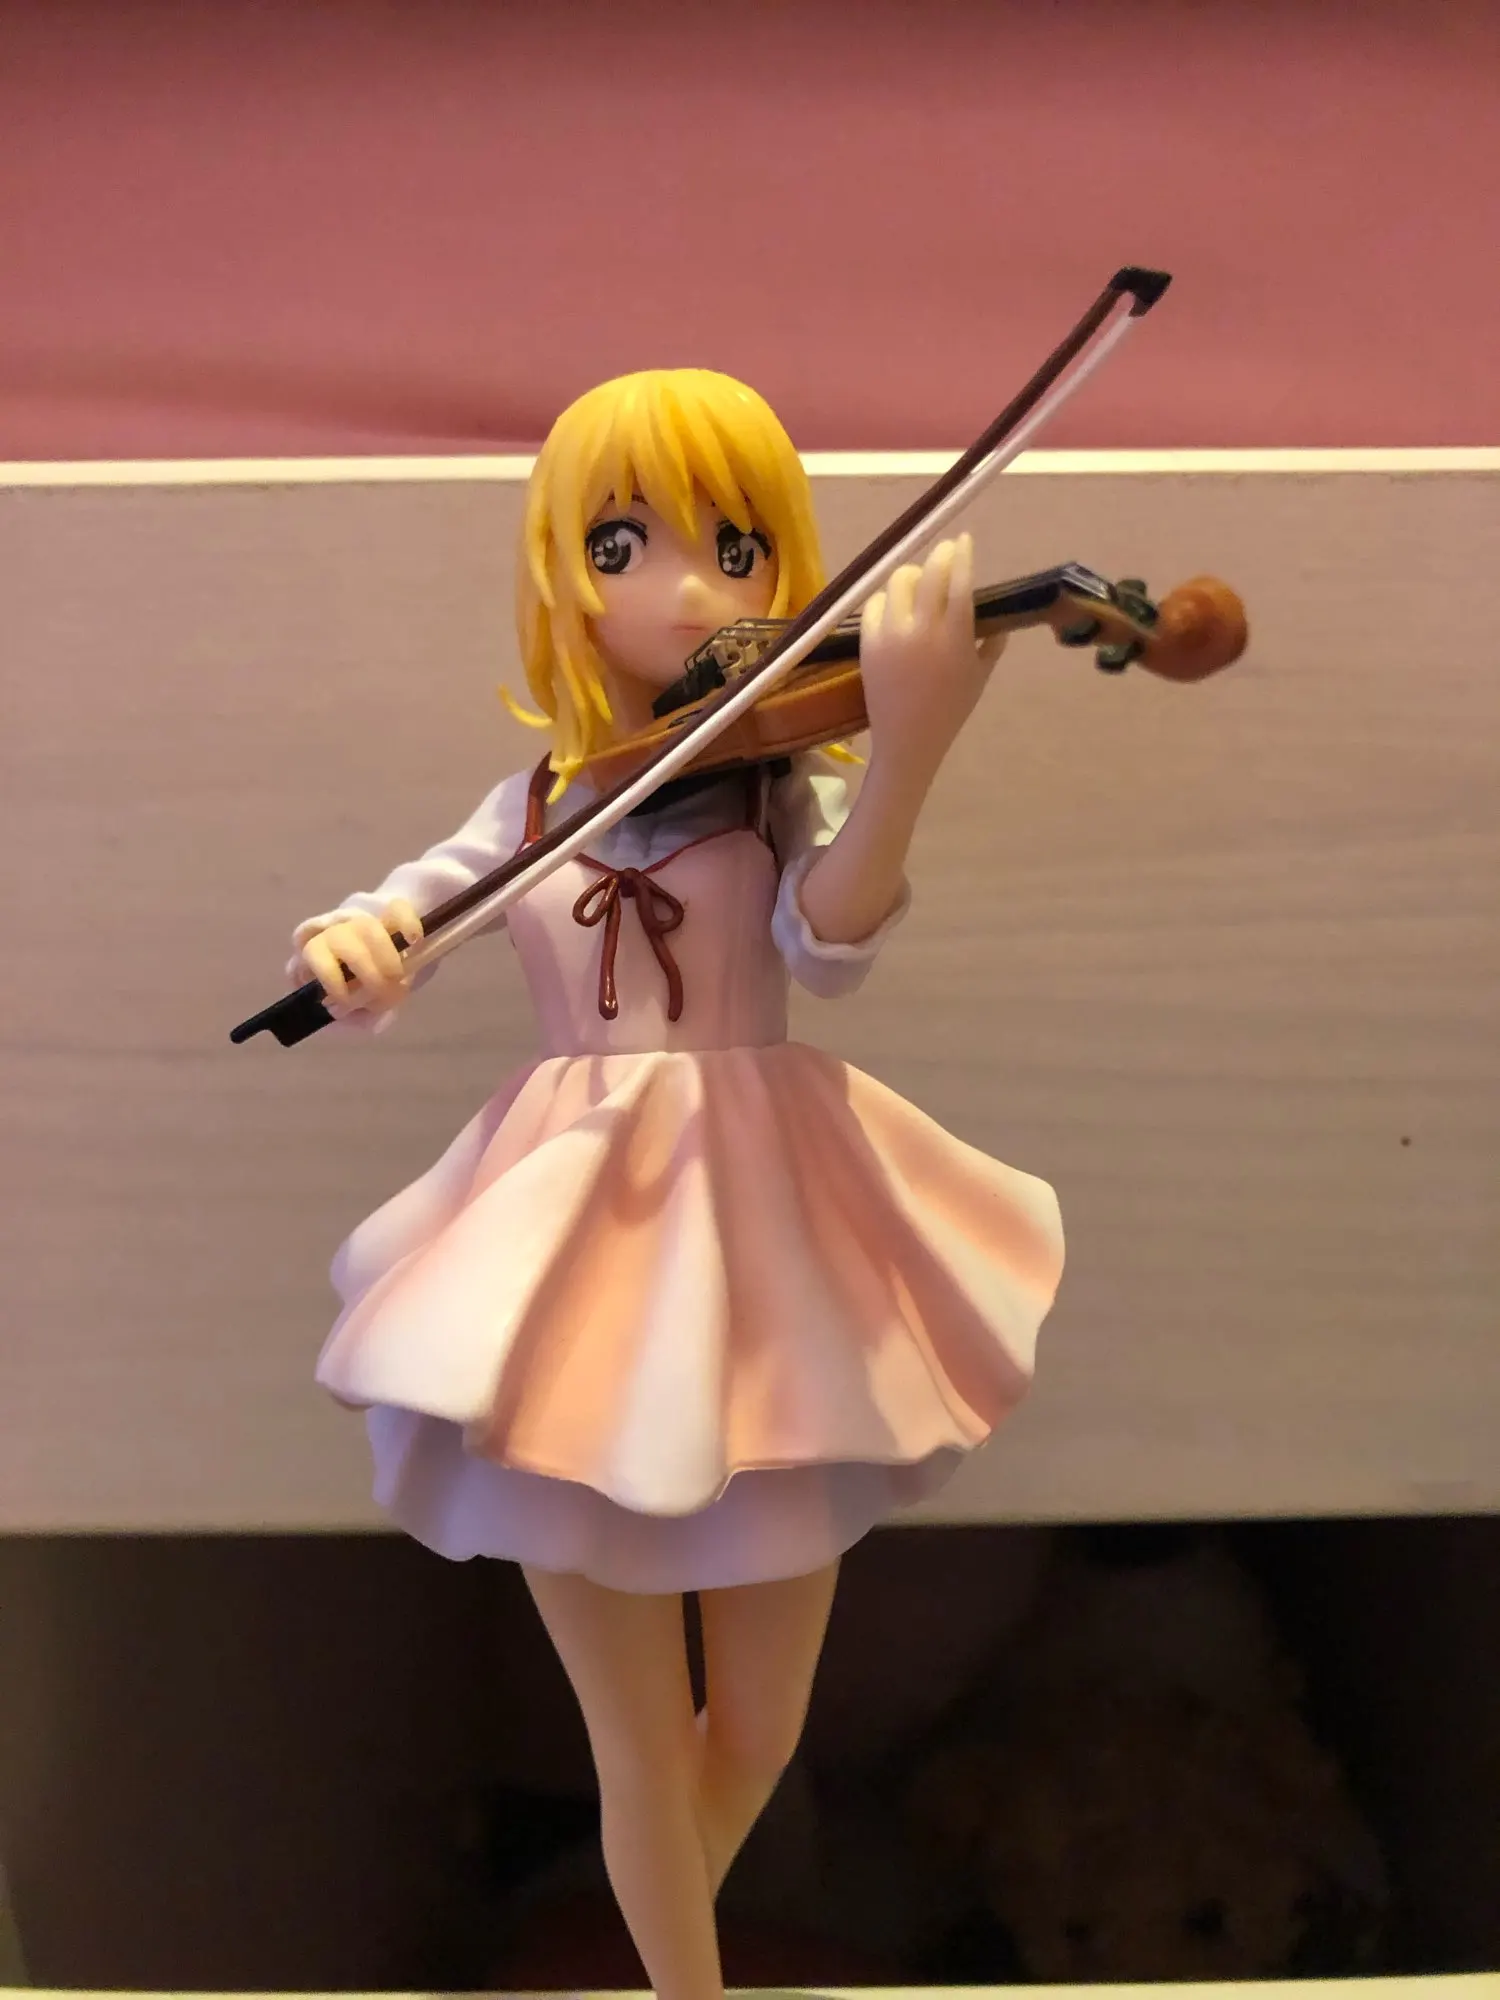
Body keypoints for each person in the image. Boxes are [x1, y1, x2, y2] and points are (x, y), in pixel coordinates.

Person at [287, 367, 1064, 2000]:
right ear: (561, 574)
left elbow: (830, 943)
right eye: (622, 544)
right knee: (634, 1742)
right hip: (565, 1235)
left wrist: (910, 751)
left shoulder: (788, 782)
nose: (692, 593)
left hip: (764, 1221)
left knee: (760, 1727)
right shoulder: (537, 802)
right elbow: (404, 918)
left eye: (738, 546)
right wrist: (350, 945)